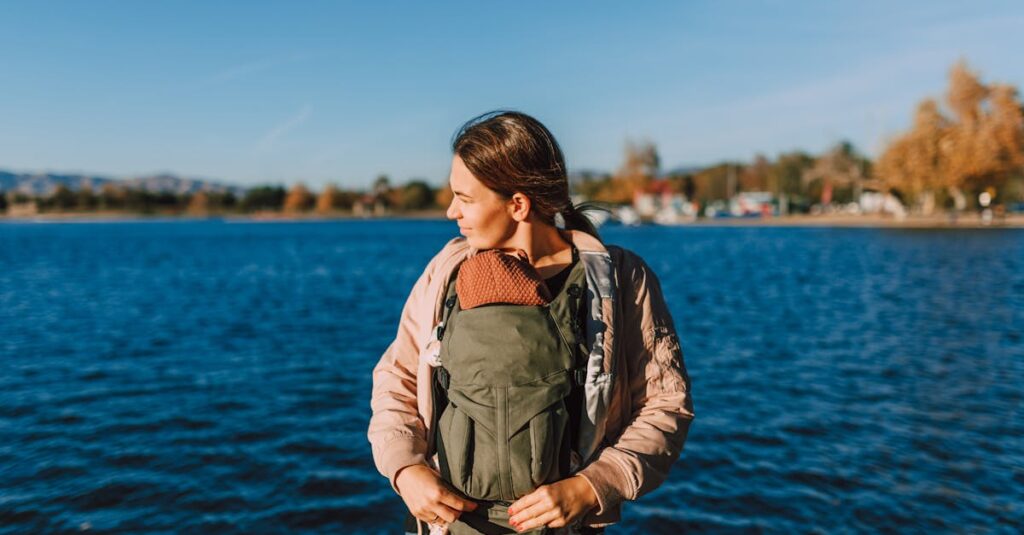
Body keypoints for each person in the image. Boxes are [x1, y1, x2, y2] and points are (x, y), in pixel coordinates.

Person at [368, 111, 694, 534]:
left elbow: (666, 405)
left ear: (518, 204)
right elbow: (397, 379)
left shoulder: (620, 278)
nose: (451, 211)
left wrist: (593, 486)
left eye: (464, 198)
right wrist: (404, 469)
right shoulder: (445, 270)